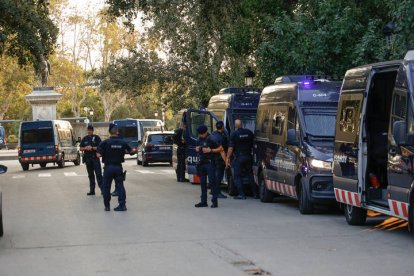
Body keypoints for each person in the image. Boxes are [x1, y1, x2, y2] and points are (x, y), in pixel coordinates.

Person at [97, 123, 137, 211]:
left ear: (109, 132)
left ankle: (107, 206)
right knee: (120, 186)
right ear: (117, 132)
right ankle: (122, 205)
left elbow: (98, 155)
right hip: (118, 167)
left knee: (106, 187)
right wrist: (134, 150)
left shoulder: (105, 143)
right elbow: (131, 152)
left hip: (108, 168)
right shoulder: (123, 142)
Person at [226, 119, 258, 199]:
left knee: (237, 176)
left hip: (239, 158)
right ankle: (255, 194)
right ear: (242, 124)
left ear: (236, 125)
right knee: (250, 175)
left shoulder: (234, 134)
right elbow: (253, 144)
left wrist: (228, 158)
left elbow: (230, 148)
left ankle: (241, 194)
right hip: (248, 156)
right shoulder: (249, 132)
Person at [194, 125, 223, 208]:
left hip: (210, 163)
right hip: (201, 163)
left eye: (201, 134)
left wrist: (210, 150)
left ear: (205, 133)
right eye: (199, 134)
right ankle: (203, 202)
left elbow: (220, 148)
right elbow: (197, 149)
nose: (199, 135)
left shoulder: (212, 138)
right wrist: (198, 149)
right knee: (202, 183)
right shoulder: (198, 139)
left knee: (212, 183)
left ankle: (214, 202)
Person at [79, 125, 103, 196]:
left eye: (90, 130)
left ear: (93, 131)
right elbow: (80, 148)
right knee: (90, 175)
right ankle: (92, 190)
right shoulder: (85, 138)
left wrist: (92, 148)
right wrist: (86, 148)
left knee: (98, 174)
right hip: (88, 159)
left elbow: (100, 147)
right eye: (88, 130)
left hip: (95, 158)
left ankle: (102, 190)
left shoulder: (97, 138)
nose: (89, 131)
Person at [211, 121, 228, 199]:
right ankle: (217, 192)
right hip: (219, 159)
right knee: (219, 176)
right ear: (222, 127)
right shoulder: (222, 137)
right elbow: (221, 150)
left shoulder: (212, 134)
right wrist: (226, 161)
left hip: (212, 158)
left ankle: (213, 190)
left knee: (214, 175)